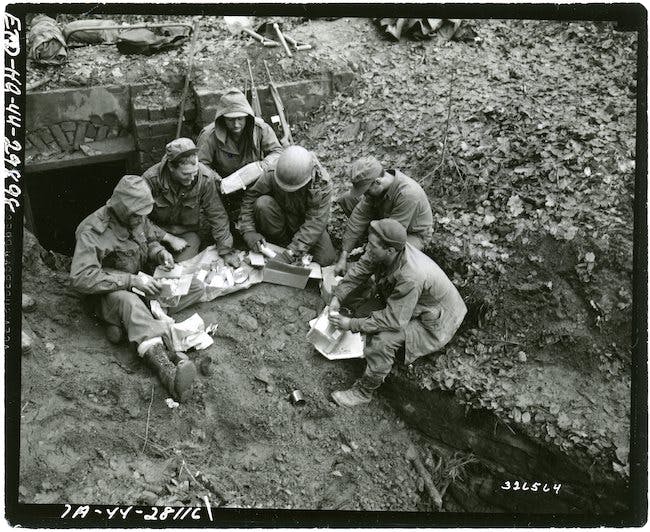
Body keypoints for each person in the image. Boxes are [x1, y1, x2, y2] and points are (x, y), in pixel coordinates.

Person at [70, 175, 204, 401]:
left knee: (194, 286)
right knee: (129, 303)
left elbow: (149, 240)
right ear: (122, 209)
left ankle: (132, 325)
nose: (141, 219)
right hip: (108, 293)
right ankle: (169, 375)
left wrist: (160, 253)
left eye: (143, 214)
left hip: (140, 282)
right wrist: (131, 281)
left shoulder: (137, 217)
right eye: (136, 214)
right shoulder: (91, 231)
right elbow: (81, 278)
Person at [328, 218, 467, 407]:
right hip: (413, 304)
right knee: (361, 313)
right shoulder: (382, 249)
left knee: (383, 340)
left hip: (437, 320)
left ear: (390, 250)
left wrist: (350, 325)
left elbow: (393, 320)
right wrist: (338, 297)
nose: (369, 249)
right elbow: (360, 270)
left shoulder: (411, 275)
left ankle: (364, 391)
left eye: (373, 246)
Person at [143, 137, 239, 267]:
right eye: (186, 174)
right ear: (171, 167)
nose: (192, 178)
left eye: (194, 173)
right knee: (145, 260)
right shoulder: (151, 180)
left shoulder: (205, 178)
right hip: (153, 232)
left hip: (185, 233)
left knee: (179, 268)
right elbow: (138, 218)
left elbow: (217, 214)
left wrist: (226, 250)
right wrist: (167, 237)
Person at [238, 145, 337, 266]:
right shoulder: (274, 171)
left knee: (326, 259)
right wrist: (249, 231)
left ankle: (290, 248)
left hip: (305, 223)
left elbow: (315, 222)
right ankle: (280, 243)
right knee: (262, 203)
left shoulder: (321, 184)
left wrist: (292, 252)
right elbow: (250, 198)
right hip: (279, 217)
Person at [334, 156, 434, 275]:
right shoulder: (376, 190)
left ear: (377, 181)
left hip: (412, 234)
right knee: (349, 198)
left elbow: (392, 237)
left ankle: (374, 262)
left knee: (390, 258)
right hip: (387, 220)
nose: (365, 195)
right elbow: (358, 218)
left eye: (366, 191)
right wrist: (344, 255)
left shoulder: (408, 194)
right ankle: (369, 247)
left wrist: (363, 266)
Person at [196, 87, 283, 181]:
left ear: (247, 117)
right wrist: (216, 179)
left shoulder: (260, 129)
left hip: (256, 181)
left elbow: (277, 152)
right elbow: (200, 164)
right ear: (223, 118)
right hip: (223, 184)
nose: (236, 124)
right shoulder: (209, 135)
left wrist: (262, 166)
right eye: (230, 120)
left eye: (240, 119)